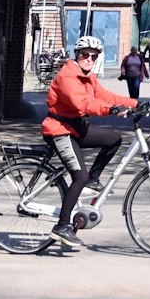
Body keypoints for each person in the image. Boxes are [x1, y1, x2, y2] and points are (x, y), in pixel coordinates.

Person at [42, 34, 134, 251]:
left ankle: (94, 179)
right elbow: (83, 104)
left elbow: (105, 95)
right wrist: (111, 110)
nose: (89, 59)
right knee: (78, 176)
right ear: (77, 55)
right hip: (59, 131)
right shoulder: (67, 76)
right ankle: (62, 226)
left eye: (94, 56)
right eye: (85, 54)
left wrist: (136, 103)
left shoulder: (89, 76)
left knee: (113, 139)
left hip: (76, 129)